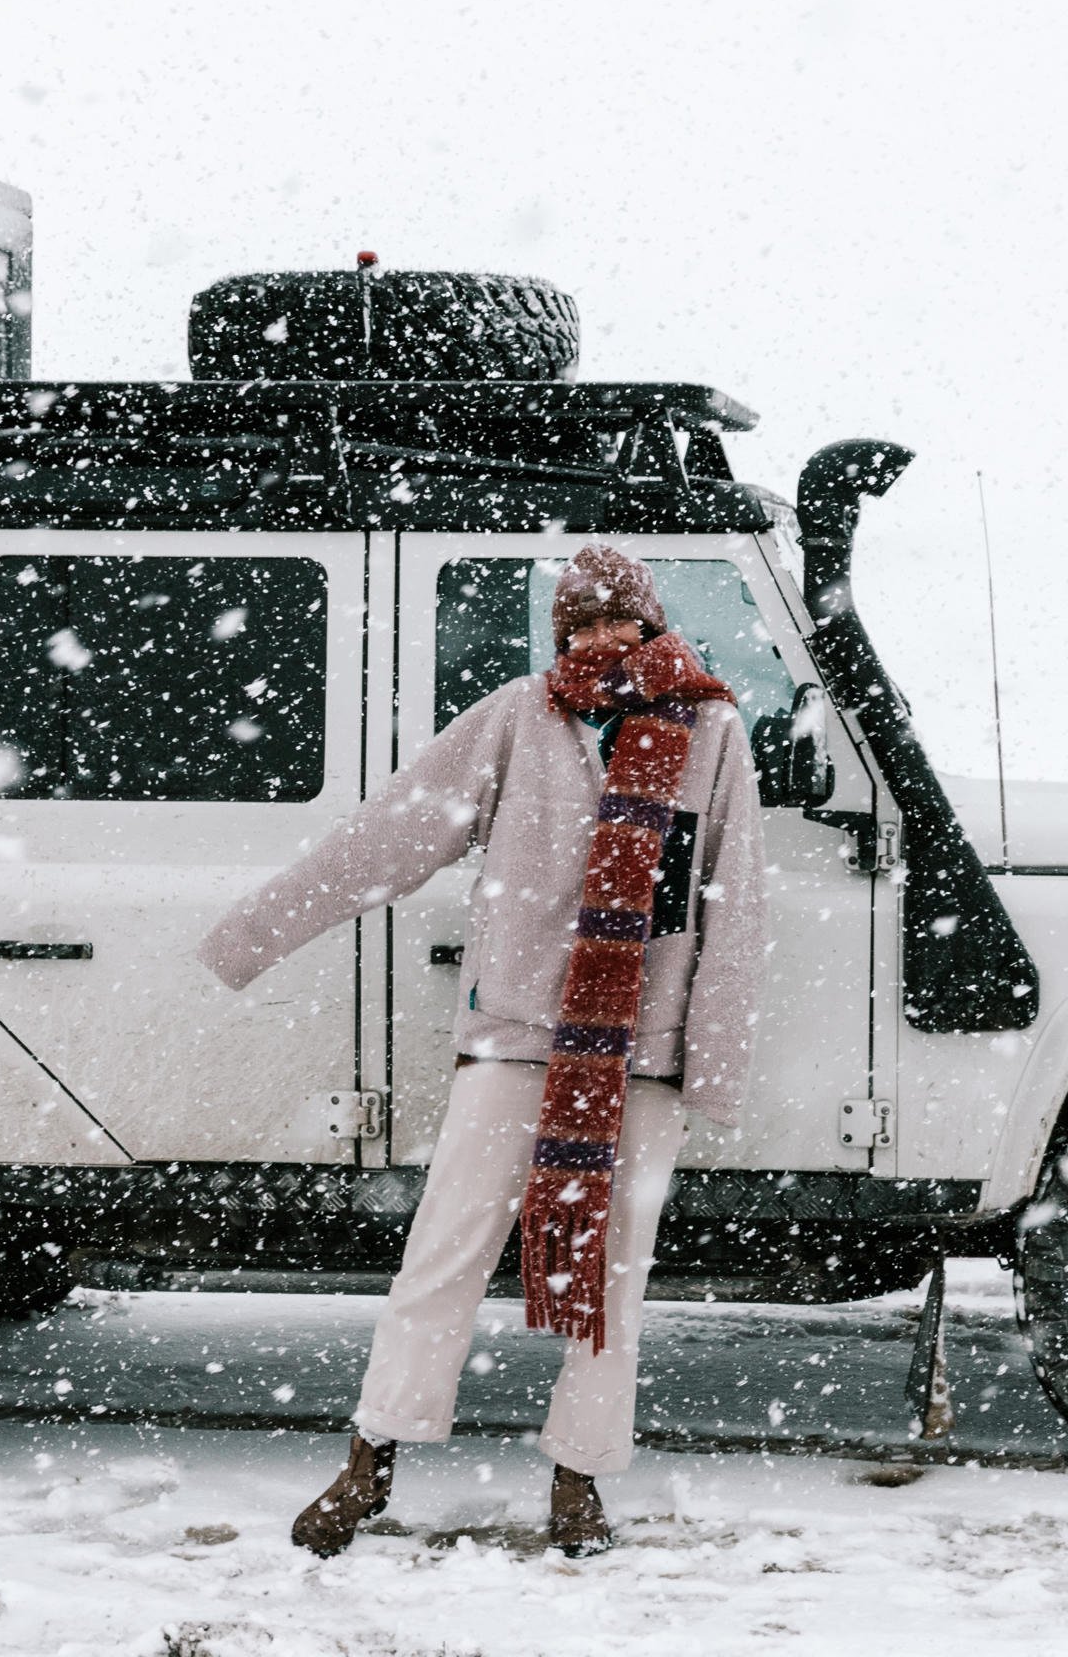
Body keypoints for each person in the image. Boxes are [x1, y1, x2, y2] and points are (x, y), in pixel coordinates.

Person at [196, 543, 767, 1559]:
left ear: (649, 622)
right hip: (513, 1034)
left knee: (612, 1279)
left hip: (639, 1049)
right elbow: (393, 835)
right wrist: (254, 934)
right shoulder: (521, 714)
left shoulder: (710, 728)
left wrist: (709, 1063)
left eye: (615, 620)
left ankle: (579, 1478)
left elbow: (735, 898)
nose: (598, 639)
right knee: (442, 1256)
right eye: (578, 624)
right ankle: (372, 1459)